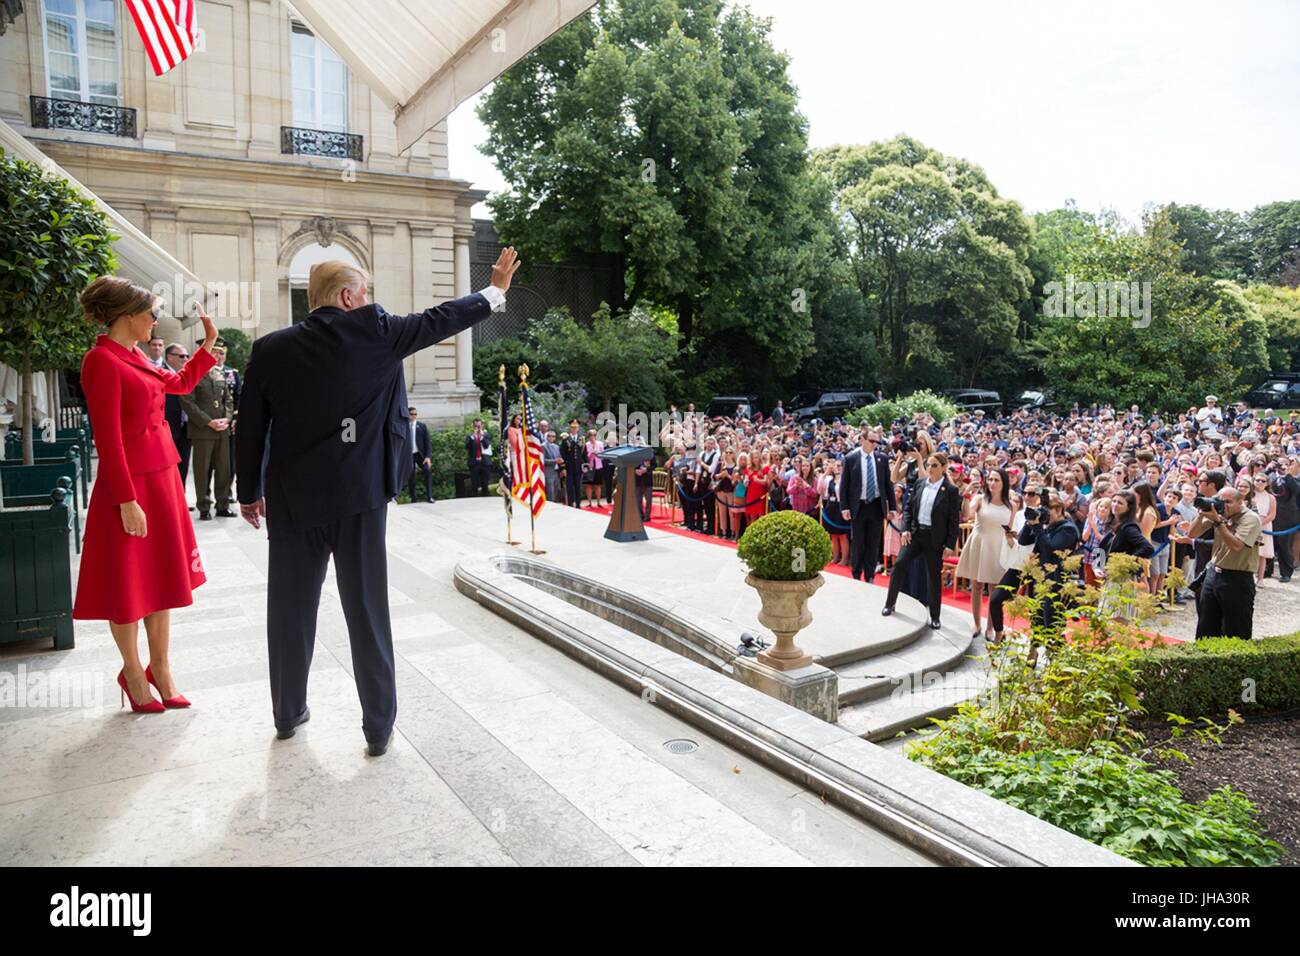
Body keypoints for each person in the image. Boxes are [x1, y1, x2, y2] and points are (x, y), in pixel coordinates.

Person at [235, 248, 518, 756]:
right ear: (348, 297)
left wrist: (248, 493)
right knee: (366, 610)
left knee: (289, 610)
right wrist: (494, 290)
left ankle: (286, 713)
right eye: (365, 293)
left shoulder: (269, 349)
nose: (371, 302)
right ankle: (378, 727)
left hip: (293, 500)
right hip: (360, 498)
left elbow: (251, 430)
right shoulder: (377, 333)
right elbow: (440, 319)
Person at [73, 276, 220, 713]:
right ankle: (134, 673)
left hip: (162, 476)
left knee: (160, 578)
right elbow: (108, 438)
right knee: (129, 583)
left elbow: (177, 386)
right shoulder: (101, 361)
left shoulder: (134, 355)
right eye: (150, 313)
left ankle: (162, 668)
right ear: (128, 316)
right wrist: (125, 500)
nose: (155, 321)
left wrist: (207, 345)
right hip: (131, 485)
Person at [883, 452, 962, 629]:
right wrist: (905, 530)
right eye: (928, 465)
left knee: (933, 577)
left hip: (934, 538)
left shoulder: (950, 491)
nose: (930, 469)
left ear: (943, 468)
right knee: (899, 565)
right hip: (915, 534)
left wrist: (950, 544)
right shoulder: (919, 484)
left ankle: (935, 616)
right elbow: (909, 509)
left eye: (934, 466)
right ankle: (890, 603)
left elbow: (953, 520)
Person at [1189, 486, 1262, 640]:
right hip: (1213, 575)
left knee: (1235, 630)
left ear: (1240, 502)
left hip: (1237, 578)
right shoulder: (1219, 514)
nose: (1224, 505)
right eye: (1221, 501)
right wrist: (1202, 513)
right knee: (1206, 627)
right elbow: (1192, 533)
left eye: (1228, 502)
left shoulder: (1250, 518)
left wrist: (1218, 523)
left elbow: (1236, 546)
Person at [955, 466, 1016, 640]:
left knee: (994, 590)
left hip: (999, 547)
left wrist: (1015, 551)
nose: (992, 483)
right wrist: (967, 495)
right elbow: (967, 515)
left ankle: (990, 627)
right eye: (990, 479)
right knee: (977, 586)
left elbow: (1009, 530)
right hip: (979, 544)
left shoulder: (1011, 504)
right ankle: (976, 623)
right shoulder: (980, 499)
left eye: (996, 480)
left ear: (1004, 483)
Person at [181, 337, 236, 520]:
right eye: (213, 351)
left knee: (224, 469)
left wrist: (226, 419)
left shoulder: (218, 373)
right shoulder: (191, 372)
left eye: (219, 352)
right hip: (203, 430)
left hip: (221, 429)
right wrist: (208, 422)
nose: (217, 355)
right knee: (202, 470)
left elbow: (228, 399)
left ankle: (223, 505)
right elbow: (187, 402)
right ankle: (204, 506)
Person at [838, 426, 896, 584]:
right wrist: (844, 507)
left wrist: (892, 507)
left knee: (873, 543)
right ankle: (856, 574)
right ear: (861, 440)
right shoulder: (851, 459)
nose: (874, 444)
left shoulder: (882, 458)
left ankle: (869, 576)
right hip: (859, 506)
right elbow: (844, 485)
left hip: (876, 505)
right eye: (871, 441)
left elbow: (887, 485)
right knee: (858, 542)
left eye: (877, 442)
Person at [163, 342, 192, 495]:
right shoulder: (159, 372)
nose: (185, 359)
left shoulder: (186, 374)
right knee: (168, 469)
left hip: (186, 429)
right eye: (181, 356)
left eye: (187, 356)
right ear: (169, 357)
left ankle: (180, 498)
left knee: (184, 465)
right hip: (167, 429)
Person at [405, 407, 433, 503]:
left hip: (420, 455)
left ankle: (430, 497)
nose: (414, 416)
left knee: (427, 471)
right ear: (408, 415)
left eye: (415, 414)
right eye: (412, 414)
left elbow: (428, 442)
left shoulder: (422, 426)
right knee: (411, 476)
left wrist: (428, 457)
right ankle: (414, 498)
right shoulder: (404, 426)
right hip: (409, 455)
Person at [559, 420, 584, 507]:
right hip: (569, 468)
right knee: (569, 487)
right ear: (570, 428)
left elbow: (584, 454)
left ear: (578, 428)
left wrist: (585, 466)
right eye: (573, 427)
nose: (574, 429)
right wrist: (563, 468)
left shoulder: (582, 439)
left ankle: (578, 504)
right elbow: (562, 455)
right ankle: (570, 504)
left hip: (578, 468)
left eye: (576, 427)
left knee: (578, 487)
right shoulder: (566, 440)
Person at [466, 417, 492, 496]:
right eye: (475, 426)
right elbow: (467, 447)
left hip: (484, 463)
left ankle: (486, 500)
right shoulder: (470, 436)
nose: (477, 428)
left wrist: (481, 437)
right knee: (474, 485)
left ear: (482, 426)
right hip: (474, 463)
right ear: (473, 426)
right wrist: (473, 437)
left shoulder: (486, 435)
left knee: (485, 484)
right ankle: (474, 502)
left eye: (479, 426)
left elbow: (486, 445)